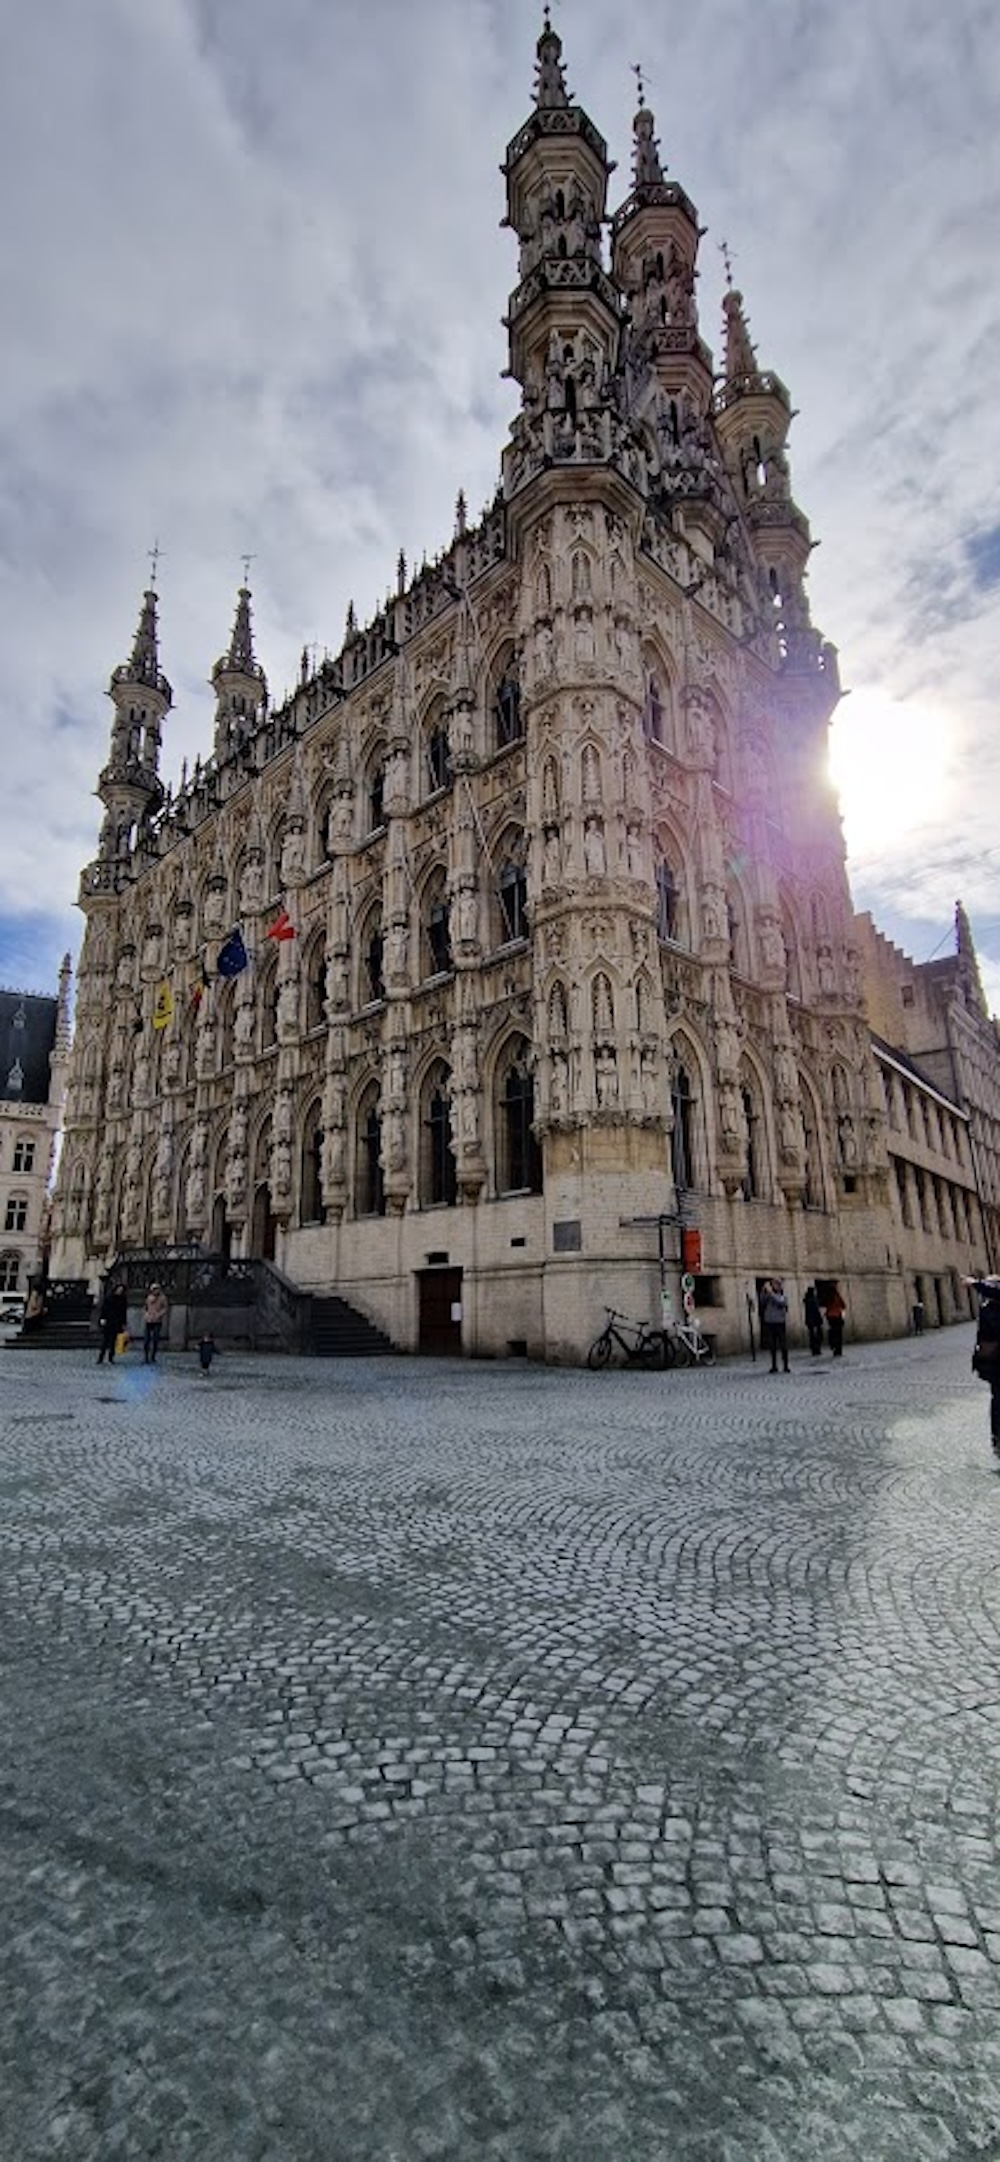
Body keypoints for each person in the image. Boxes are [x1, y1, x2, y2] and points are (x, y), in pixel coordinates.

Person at [967, 1277, 1000, 1456]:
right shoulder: (988, 1310)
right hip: (994, 1362)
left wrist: (975, 1284)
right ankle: (996, 1437)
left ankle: (996, 1438)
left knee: (997, 1399)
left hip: (991, 1362)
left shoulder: (987, 1308)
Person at [97, 1278, 128, 1365]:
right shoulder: (109, 1298)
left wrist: (124, 1323)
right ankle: (101, 1358)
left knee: (113, 1342)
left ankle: (110, 1358)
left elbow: (123, 1313)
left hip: (117, 1323)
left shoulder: (123, 1300)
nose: (120, 1291)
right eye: (119, 1289)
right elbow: (104, 1309)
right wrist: (102, 1319)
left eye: (121, 1290)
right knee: (105, 1341)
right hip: (109, 1322)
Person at [761, 1279, 790, 1373]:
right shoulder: (769, 1295)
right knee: (772, 1345)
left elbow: (780, 1302)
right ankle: (774, 1366)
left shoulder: (782, 1295)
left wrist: (771, 1293)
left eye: (776, 1284)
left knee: (783, 1344)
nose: (774, 1286)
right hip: (770, 1322)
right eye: (773, 1284)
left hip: (780, 1322)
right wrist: (764, 1292)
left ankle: (785, 1365)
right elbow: (762, 1302)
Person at [143, 1282, 169, 1365]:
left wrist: (159, 1314)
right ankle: (146, 1356)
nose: (155, 1291)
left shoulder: (162, 1298)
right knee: (146, 1339)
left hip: (157, 1321)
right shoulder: (149, 1297)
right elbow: (145, 1307)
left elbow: (165, 1308)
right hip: (149, 1320)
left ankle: (153, 1356)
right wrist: (146, 1314)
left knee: (155, 1339)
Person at [824, 1283, 846, 1357]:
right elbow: (843, 1305)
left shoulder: (827, 1297)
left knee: (833, 1331)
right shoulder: (837, 1296)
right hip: (837, 1316)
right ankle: (838, 1350)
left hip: (830, 1317)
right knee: (838, 1333)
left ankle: (833, 1345)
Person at [803, 1284, 823, 1358]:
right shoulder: (812, 1300)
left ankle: (815, 1349)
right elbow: (815, 1311)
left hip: (811, 1320)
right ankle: (816, 1349)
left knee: (813, 1335)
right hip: (814, 1320)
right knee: (816, 1335)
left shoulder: (809, 1300)